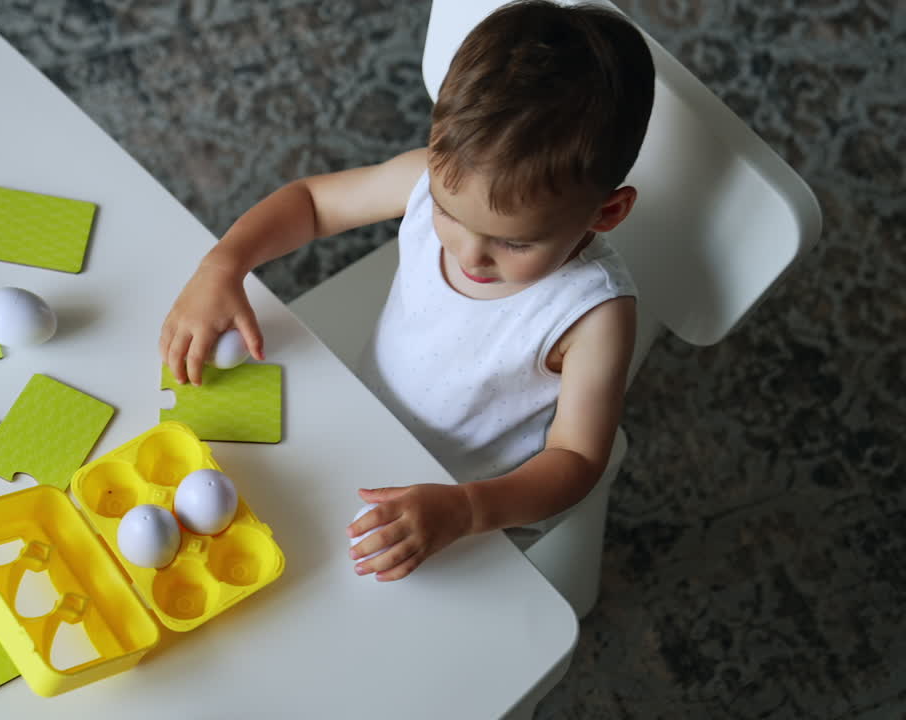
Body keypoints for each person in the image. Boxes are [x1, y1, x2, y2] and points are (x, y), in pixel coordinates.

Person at [158, 0, 655, 581]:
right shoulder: (426, 178)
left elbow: (576, 459)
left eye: (515, 244)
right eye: (448, 212)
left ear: (608, 212)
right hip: (369, 418)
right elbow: (313, 203)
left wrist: (467, 508)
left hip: (470, 505)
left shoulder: (593, 315)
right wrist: (224, 264)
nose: (469, 254)